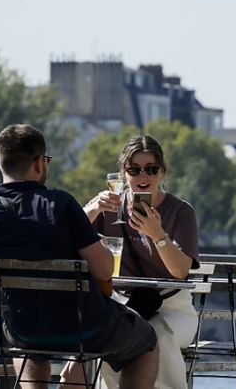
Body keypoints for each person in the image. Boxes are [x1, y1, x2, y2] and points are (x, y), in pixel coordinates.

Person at [0, 124, 158, 389]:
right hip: (86, 328)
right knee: (146, 343)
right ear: (40, 163)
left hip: (24, 327)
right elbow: (103, 270)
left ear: (1, 164)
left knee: (27, 345)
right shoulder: (61, 205)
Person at [82, 134, 199, 389]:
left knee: (149, 333)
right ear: (123, 173)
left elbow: (180, 271)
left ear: (162, 173)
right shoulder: (109, 208)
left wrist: (157, 235)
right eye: (134, 169)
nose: (142, 176)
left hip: (172, 308)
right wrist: (90, 211)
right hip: (123, 304)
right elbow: (63, 240)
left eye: (151, 169)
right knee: (118, 333)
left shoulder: (180, 212)